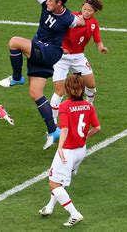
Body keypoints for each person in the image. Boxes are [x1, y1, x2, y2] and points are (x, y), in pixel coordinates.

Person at [0, 0, 84, 149]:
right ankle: (53, 131)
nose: (47, 3)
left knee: (14, 42)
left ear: (59, 3)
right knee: (35, 93)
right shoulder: (46, 1)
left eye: (51, 1)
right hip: (40, 51)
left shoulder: (68, 18)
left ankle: (16, 78)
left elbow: (81, 22)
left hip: (49, 52)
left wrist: (84, 17)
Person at [39, 74, 100, 227]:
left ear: (67, 89)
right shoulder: (88, 105)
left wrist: (59, 148)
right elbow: (97, 128)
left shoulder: (64, 106)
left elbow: (64, 129)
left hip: (67, 151)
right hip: (81, 150)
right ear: (82, 90)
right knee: (60, 179)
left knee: (54, 184)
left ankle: (74, 214)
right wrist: (84, 137)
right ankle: (49, 207)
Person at [50, 0, 108, 127]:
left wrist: (101, 47)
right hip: (61, 58)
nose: (86, 12)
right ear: (82, 7)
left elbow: (97, 39)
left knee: (91, 85)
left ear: (94, 11)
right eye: (85, 9)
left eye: (90, 10)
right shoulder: (72, 18)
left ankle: (89, 106)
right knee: (59, 91)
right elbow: (56, 31)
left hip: (78, 58)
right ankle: (52, 123)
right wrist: (58, 47)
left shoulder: (93, 23)